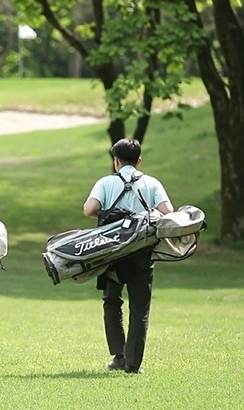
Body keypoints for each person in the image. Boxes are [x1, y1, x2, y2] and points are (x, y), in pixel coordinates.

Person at [83, 138, 174, 374]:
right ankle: (133, 365)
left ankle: (118, 356)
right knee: (140, 307)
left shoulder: (105, 182)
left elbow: (88, 209)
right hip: (142, 253)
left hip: (112, 252)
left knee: (112, 301)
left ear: (116, 161)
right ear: (139, 161)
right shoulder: (152, 183)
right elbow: (168, 212)